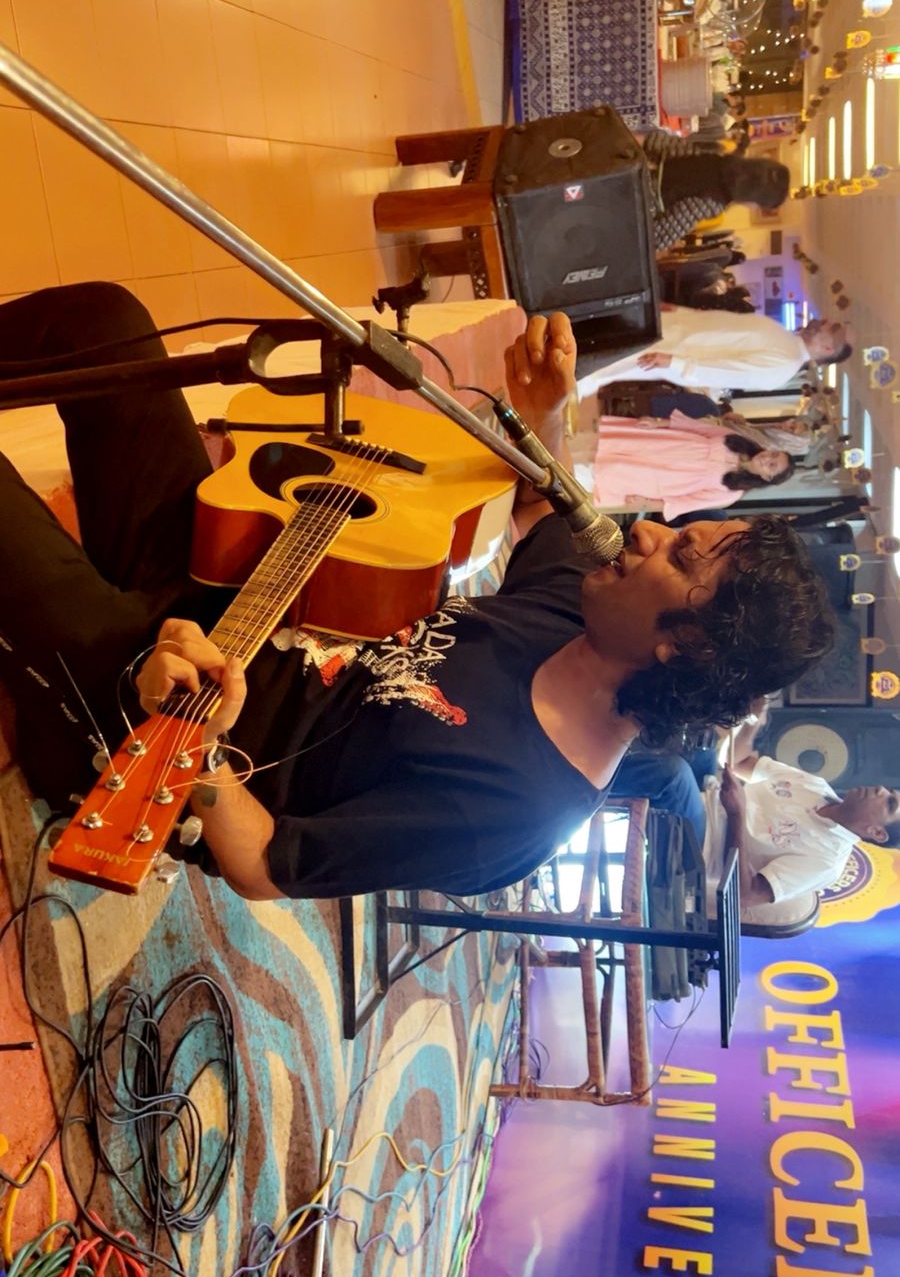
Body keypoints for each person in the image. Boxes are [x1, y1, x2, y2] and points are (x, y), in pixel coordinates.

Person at [0, 283, 834, 903]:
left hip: (158, 716)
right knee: (102, 323)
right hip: (232, 579)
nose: (645, 530)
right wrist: (546, 413)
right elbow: (547, 505)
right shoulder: (577, 615)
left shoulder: (517, 811)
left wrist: (205, 753)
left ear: (682, 646)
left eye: (680, 555)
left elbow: (264, 865)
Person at [615, 733, 900, 911]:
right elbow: (741, 763)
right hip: (707, 796)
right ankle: (606, 745)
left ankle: (593, 784)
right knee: (698, 734)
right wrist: (752, 721)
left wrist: (737, 813)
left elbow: (744, 895)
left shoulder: (827, 861)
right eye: (890, 791)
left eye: (890, 803)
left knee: (674, 775)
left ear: (877, 833)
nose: (880, 790)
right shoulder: (816, 785)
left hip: (698, 846)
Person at [576, 310, 853, 409]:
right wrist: (681, 312)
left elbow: (727, 372)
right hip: (676, 332)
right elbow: (724, 324)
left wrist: (676, 362)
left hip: (674, 351)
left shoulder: (784, 365)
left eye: (830, 327)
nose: (823, 320)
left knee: (603, 366)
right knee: (603, 345)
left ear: (828, 347)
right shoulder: (784, 336)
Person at [569, 411, 795, 521]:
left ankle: (554, 470)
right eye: (773, 454)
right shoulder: (736, 440)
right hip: (658, 445)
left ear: (767, 478)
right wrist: (659, 423)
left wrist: (646, 503)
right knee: (591, 447)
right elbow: (695, 427)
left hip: (654, 476)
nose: (767, 458)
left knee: (594, 472)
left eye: (772, 465)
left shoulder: (730, 493)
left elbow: (686, 503)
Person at [640, 131, 790, 256]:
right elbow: (657, 237)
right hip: (637, 204)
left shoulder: (715, 153)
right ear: (753, 197)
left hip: (636, 168)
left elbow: (655, 142)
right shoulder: (714, 202)